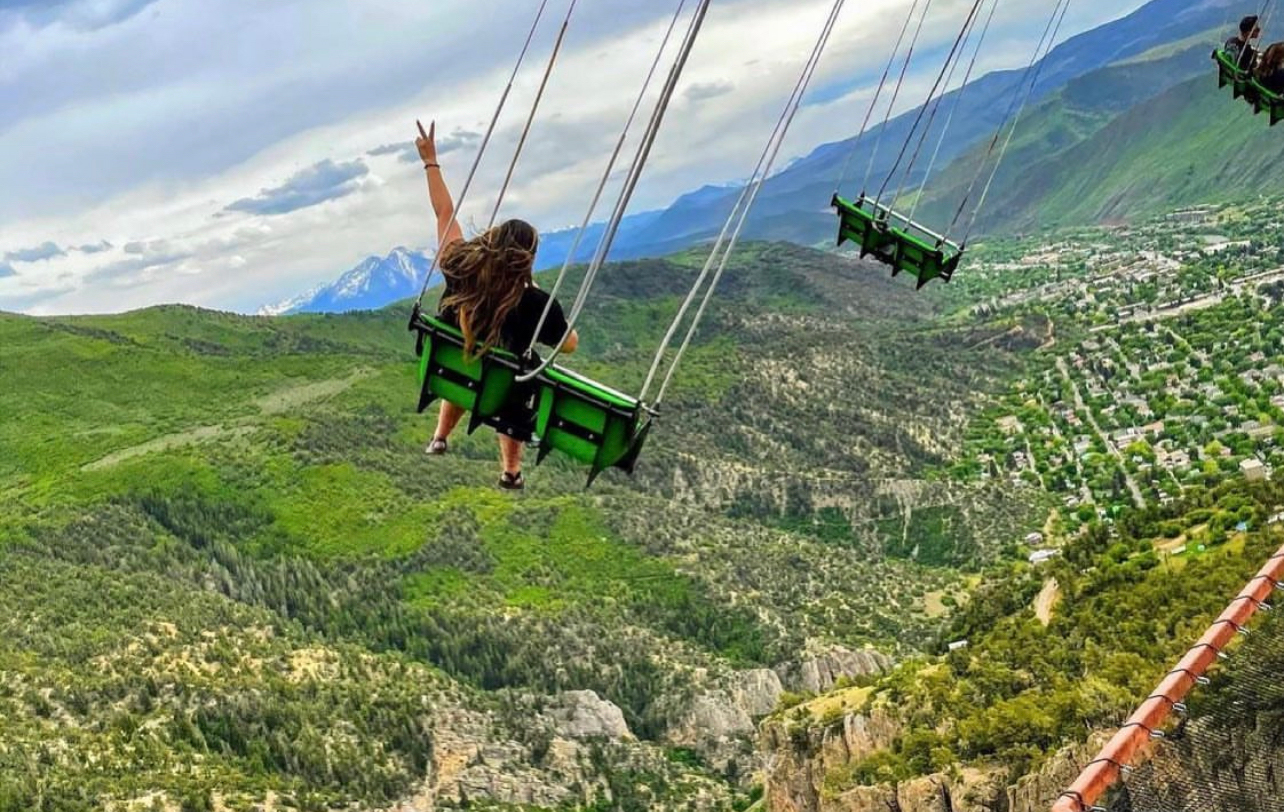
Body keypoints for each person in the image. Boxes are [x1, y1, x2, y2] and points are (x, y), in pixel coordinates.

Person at [415, 121, 580, 491]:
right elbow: (569, 345)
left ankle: (441, 435)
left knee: (468, 362)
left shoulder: (462, 269)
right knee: (522, 374)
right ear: (528, 259)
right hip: (504, 392)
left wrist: (430, 161)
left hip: (459, 369)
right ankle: (510, 469)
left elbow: (444, 213)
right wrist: (537, 292)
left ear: (493, 242)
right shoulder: (536, 304)